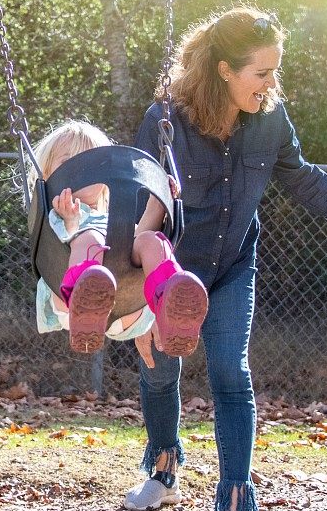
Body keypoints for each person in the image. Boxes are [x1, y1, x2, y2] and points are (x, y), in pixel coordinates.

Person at [126, 5, 327, 511]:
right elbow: (135, 207)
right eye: (261, 73)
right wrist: (131, 292)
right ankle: (163, 471)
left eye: (276, 71)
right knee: (160, 367)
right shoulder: (166, 120)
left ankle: (234, 493)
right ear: (224, 70)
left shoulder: (269, 119)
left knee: (231, 371)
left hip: (231, 266)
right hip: (169, 269)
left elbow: (304, 179)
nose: (271, 84)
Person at [30, 120, 208, 361]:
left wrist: (159, 203)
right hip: (67, 303)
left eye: (93, 163)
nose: (84, 170)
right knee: (90, 238)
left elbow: (136, 240)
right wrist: (70, 222)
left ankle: (170, 303)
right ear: (50, 174)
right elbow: (54, 246)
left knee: (151, 240)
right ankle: (85, 301)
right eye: (68, 162)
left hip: (130, 307)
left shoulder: (111, 216)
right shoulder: (54, 212)